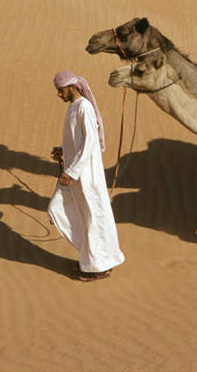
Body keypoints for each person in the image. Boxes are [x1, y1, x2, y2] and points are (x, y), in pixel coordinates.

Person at [48, 70, 124, 281]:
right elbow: (77, 141)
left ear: (72, 87)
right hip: (76, 175)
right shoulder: (74, 108)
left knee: (93, 217)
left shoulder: (84, 108)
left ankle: (98, 266)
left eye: (60, 90)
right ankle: (91, 259)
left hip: (86, 176)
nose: (59, 95)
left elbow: (90, 143)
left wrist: (71, 172)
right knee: (75, 213)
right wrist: (63, 150)